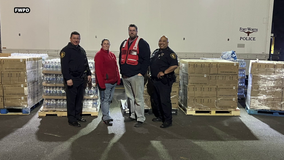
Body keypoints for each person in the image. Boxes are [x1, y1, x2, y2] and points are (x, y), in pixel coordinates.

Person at [119, 24, 151, 127]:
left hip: (136, 76)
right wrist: (122, 72)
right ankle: (132, 115)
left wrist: (141, 73)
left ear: (137, 31)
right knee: (130, 98)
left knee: (138, 98)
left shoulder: (142, 43)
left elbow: (146, 59)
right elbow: (120, 58)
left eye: (133, 30)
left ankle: (140, 118)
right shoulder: (124, 43)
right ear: (128, 31)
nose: (132, 32)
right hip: (126, 76)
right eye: (130, 30)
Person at [60, 31, 91, 127]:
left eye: (78, 38)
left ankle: (78, 116)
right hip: (72, 79)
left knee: (79, 99)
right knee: (71, 100)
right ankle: (71, 119)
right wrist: (68, 78)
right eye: (74, 38)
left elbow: (86, 63)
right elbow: (64, 67)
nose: (76, 40)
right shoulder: (65, 51)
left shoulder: (81, 50)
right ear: (70, 39)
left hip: (81, 79)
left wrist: (89, 74)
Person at [150, 36, 178, 128]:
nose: (161, 43)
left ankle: (167, 120)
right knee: (157, 100)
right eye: (160, 41)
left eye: (164, 41)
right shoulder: (156, 52)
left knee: (164, 101)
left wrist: (164, 72)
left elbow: (174, 65)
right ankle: (160, 116)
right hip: (155, 80)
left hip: (164, 81)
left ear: (167, 43)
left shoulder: (170, 53)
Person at [95, 39, 120, 126]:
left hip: (113, 81)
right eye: (104, 44)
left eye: (107, 44)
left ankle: (106, 115)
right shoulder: (99, 55)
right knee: (105, 99)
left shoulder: (112, 55)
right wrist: (101, 83)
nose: (106, 45)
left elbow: (116, 68)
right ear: (101, 45)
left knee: (109, 100)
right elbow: (98, 71)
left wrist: (118, 78)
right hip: (105, 82)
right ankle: (106, 117)